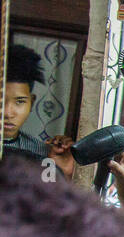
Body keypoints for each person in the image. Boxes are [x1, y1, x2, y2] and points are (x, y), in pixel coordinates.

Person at [2, 44, 74, 177]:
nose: (7, 113)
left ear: (32, 102)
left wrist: (61, 173)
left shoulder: (41, 154)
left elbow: (50, 195)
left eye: (20, 102)